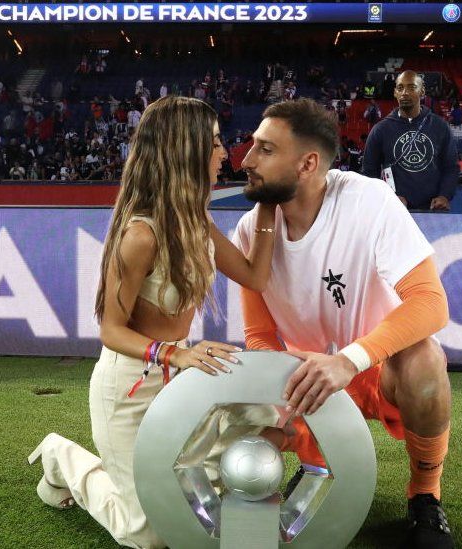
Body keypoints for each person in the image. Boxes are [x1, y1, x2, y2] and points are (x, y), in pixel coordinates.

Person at [27, 96, 277, 549]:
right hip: (130, 388)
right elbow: (110, 329)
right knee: (146, 535)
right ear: (187, 150)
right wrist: (176, 352)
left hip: (180, 377)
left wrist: (268, 207)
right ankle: (60, 459)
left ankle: (205, 482)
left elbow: (254, 274)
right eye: (216, 143)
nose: (226, 153)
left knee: (262, 413)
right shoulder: (140, 235)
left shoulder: (195, 220)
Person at [235, 98, 453, 548]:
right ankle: (313, 463)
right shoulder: (248, 230)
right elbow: (257, 336)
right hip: (306, 376)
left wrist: (350, 360)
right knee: (234, 424)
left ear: (307, 163)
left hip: (376, 367)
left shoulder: (368, 200)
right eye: (252, 147)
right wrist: (285, 368)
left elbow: (431, 302)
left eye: (265, 150)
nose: (246, 161)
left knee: (425, 359)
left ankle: (425, 493)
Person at [362, 71, 459, 212]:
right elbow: (369, 173)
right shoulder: (380, 130)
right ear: (395, 92)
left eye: (412, 87)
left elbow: (451, 167)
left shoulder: (440, 126)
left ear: (422, 91)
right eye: (400, 88)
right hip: (393, 211)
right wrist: (388, 197)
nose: (405, 93)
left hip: (432, 211)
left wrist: (444, 196)